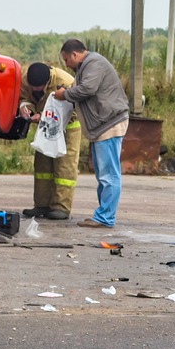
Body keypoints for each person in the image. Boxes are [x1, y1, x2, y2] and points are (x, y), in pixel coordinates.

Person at [55, 38, 130, 228]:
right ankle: (102, 215)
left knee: (109, 174)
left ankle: (105, 218)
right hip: (101, 126)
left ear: (74, 54)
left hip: (109, 124)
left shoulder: (93, 63)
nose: (66, 64)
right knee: (102, 174)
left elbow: (88, 89)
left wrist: (64, 95)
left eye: (66, 60)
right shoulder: (85, 67)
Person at [19, 62, 82, 220]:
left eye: (39, 87)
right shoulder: (26, 80)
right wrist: (26, 108)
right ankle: (41, 205)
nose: (35, 90)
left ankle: (61, 207)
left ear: (47, 82)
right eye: (33, 87)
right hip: (45, 127)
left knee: (64, 167)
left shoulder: (66, 82)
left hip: (67, 126)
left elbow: (74, 106)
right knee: (42, 167)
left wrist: (45, 115)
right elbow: (24, 98)